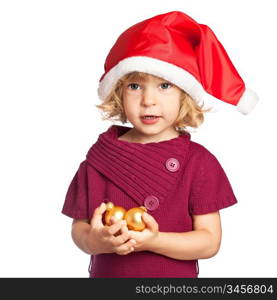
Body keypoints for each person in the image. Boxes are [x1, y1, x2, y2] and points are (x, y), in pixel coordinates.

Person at [61, 11, 258, 278]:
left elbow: (210, 241)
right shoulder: (98, 160)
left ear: (184, 94)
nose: (148, 100)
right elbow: (79, 229)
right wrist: (97, 242)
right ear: (118, 92)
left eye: (164, 85)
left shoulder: (198, 162)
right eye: (134, 86)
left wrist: (154, 241)